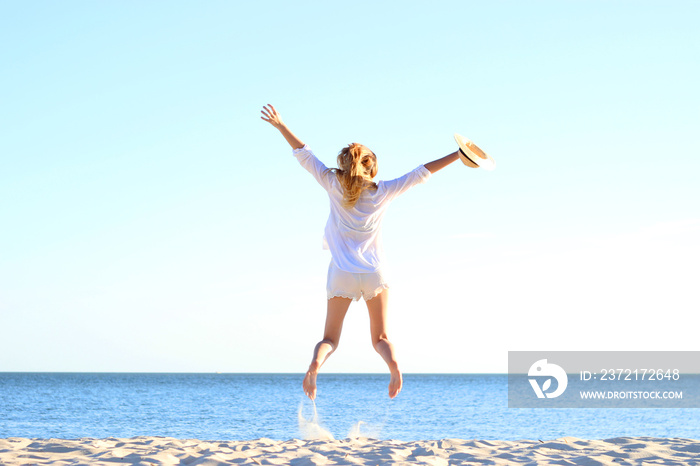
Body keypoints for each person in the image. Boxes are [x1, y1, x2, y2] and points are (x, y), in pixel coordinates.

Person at [260, 104, 462, 400]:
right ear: (371, 167)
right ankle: (393, 365)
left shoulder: (331, 183)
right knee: (380, 338)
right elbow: (422, 172)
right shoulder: (384, 191)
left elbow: (304, 154)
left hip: (341, 272)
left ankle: (315, 365)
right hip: (374, 272)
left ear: (344, 165)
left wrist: (280, 125)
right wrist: (458, 155)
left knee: (329, 339)